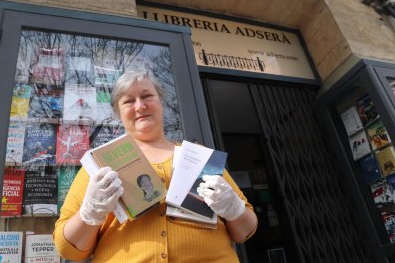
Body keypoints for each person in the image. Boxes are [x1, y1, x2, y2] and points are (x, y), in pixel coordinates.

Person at [54, 70, 258, 262]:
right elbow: (67, 248)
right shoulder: (99, 166)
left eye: (147, 96)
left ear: (161, 102)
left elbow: (245, 231)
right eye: (128, 101)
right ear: (118, 113)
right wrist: (89, 214)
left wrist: (234, 209)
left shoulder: (199, 158)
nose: (140, 106)